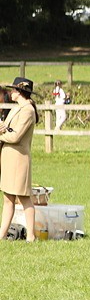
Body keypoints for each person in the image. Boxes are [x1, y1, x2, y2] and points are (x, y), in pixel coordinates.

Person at [0, 77, 39, 241]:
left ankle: (31, 236)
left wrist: (2, 133)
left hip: (19, 159)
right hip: (9, 157)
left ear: (21, 92)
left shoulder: (27, 110)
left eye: (14, 90)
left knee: (23, 198)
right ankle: (1, 235)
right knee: (8, 198)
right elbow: (9, 128)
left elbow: (16, 136)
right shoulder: (17, 108)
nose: (11, 92)